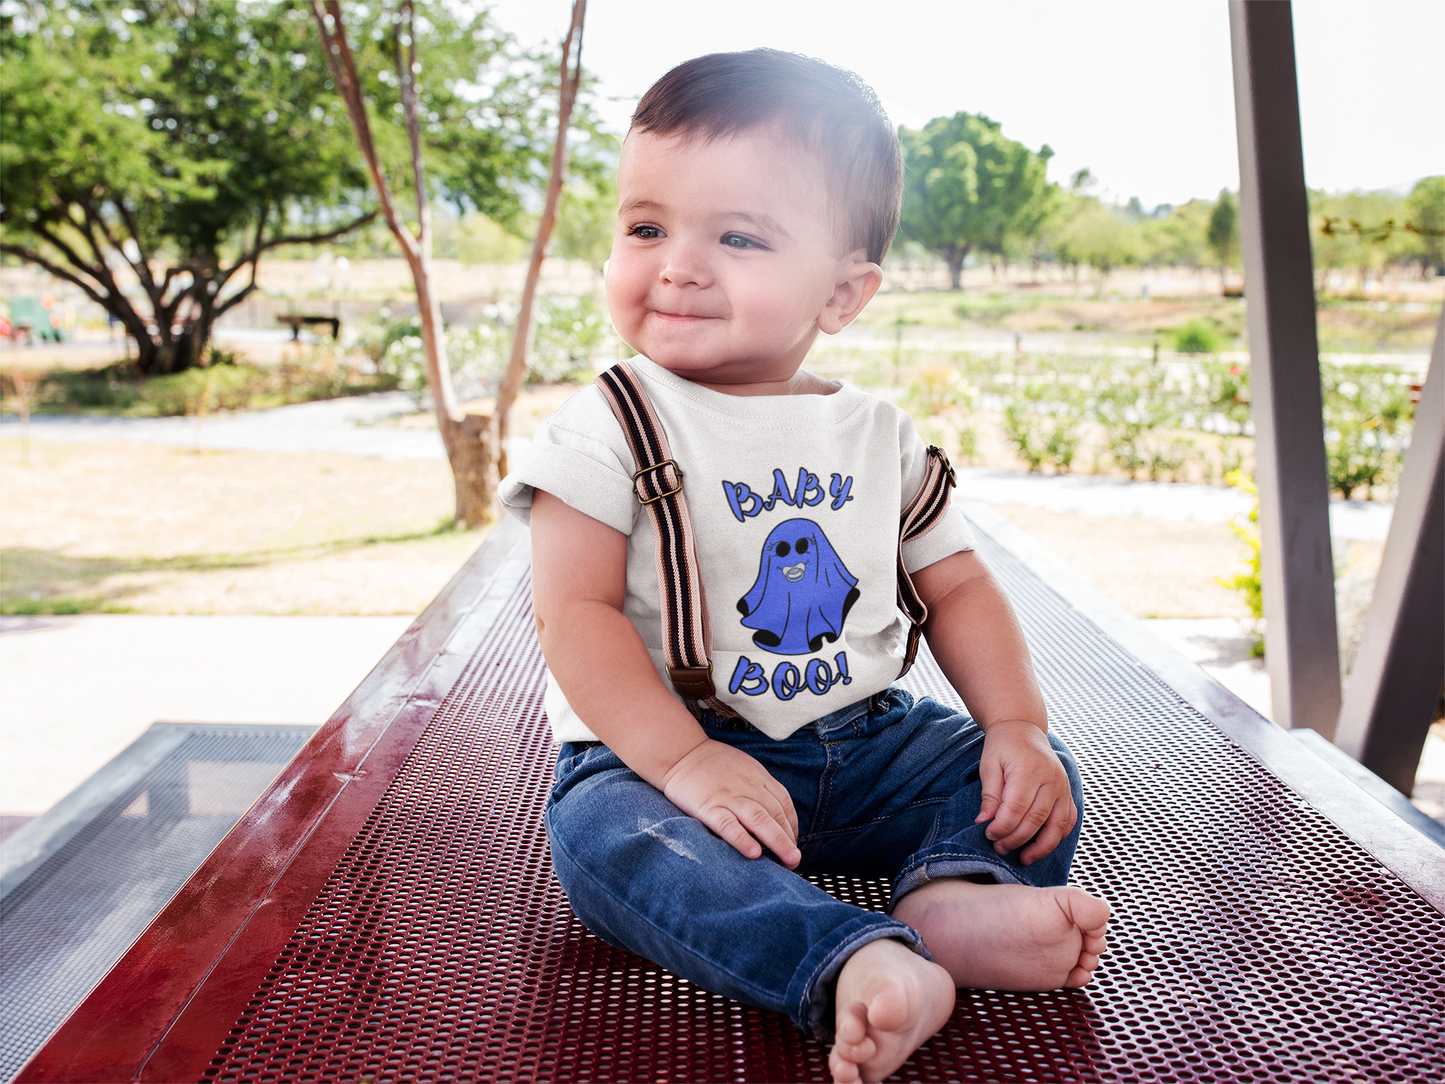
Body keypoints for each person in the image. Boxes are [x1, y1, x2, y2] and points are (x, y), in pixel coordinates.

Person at [499, 49, 1110, 1084]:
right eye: (645, 227)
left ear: (842, 292)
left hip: (864, 748)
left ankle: (948, 900)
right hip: (668, 756)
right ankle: (845, 958)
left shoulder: (874, 433)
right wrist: (684, 762)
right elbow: (576, 616)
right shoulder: (607, 424)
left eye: (737, 236)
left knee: (1017, 778)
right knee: (606, 838)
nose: (677, 264)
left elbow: (956, 583)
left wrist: (1016, 725)